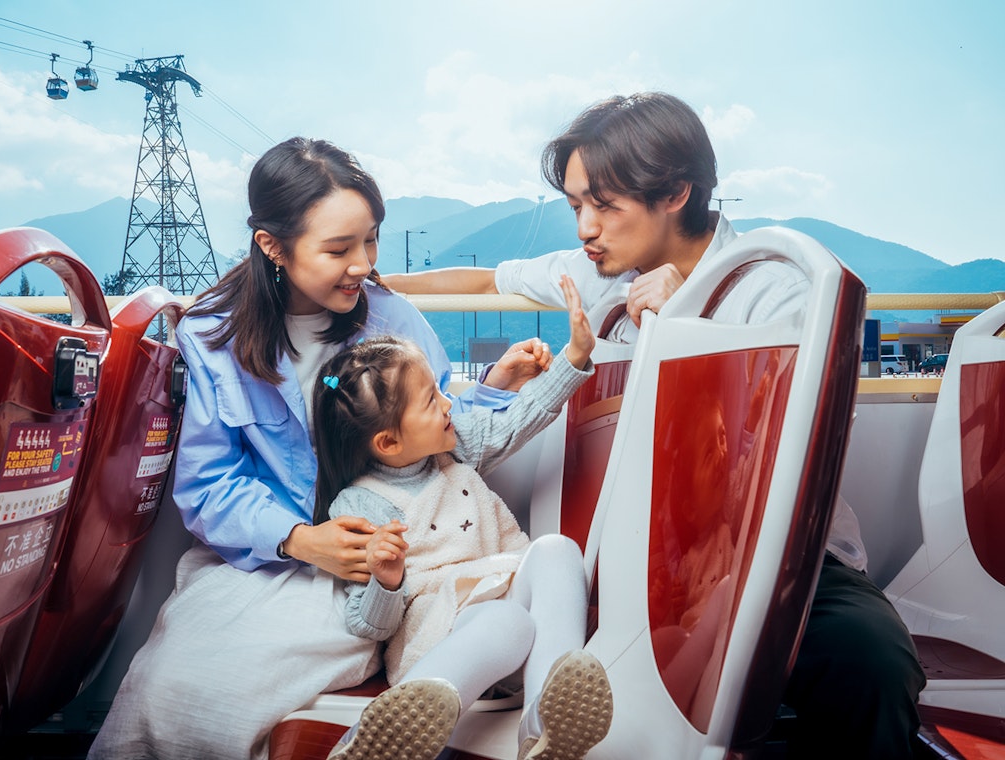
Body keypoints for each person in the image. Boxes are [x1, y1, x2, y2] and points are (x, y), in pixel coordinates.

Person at [385, 92, 926, 759]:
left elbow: (782, 452)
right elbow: (482, 283)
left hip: (767, 550)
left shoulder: (776, 287)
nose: (585, 229)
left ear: (675, 192)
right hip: (637, 549)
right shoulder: (598, 271)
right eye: (576, 207)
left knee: (871, 662)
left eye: (604, 206)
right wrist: (367, 281)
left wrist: (687, 327)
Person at [88, 137, 542, 760]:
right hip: (257, 559)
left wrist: (494, 388)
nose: (363, 264)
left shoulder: (394, 319)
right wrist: (300, 540)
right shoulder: (211, 335)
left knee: (238, 690)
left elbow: (437, 432)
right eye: (338, 249)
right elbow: (208, 484)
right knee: (167, 691)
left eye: (371, 240)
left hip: (372, 566)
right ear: (272, 246)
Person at [314, 275, 612, 760]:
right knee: (506, 621)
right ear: (388, 442)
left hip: (509, 611)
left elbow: (522, 416)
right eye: (432, 401)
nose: (449, 403)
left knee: (558, 550)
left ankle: (544, 728)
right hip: (441, 638)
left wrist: (574, 355)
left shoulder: (456, 447)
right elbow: (368, 626)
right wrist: (386, 582)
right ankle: (386, 730)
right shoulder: (361, 505)